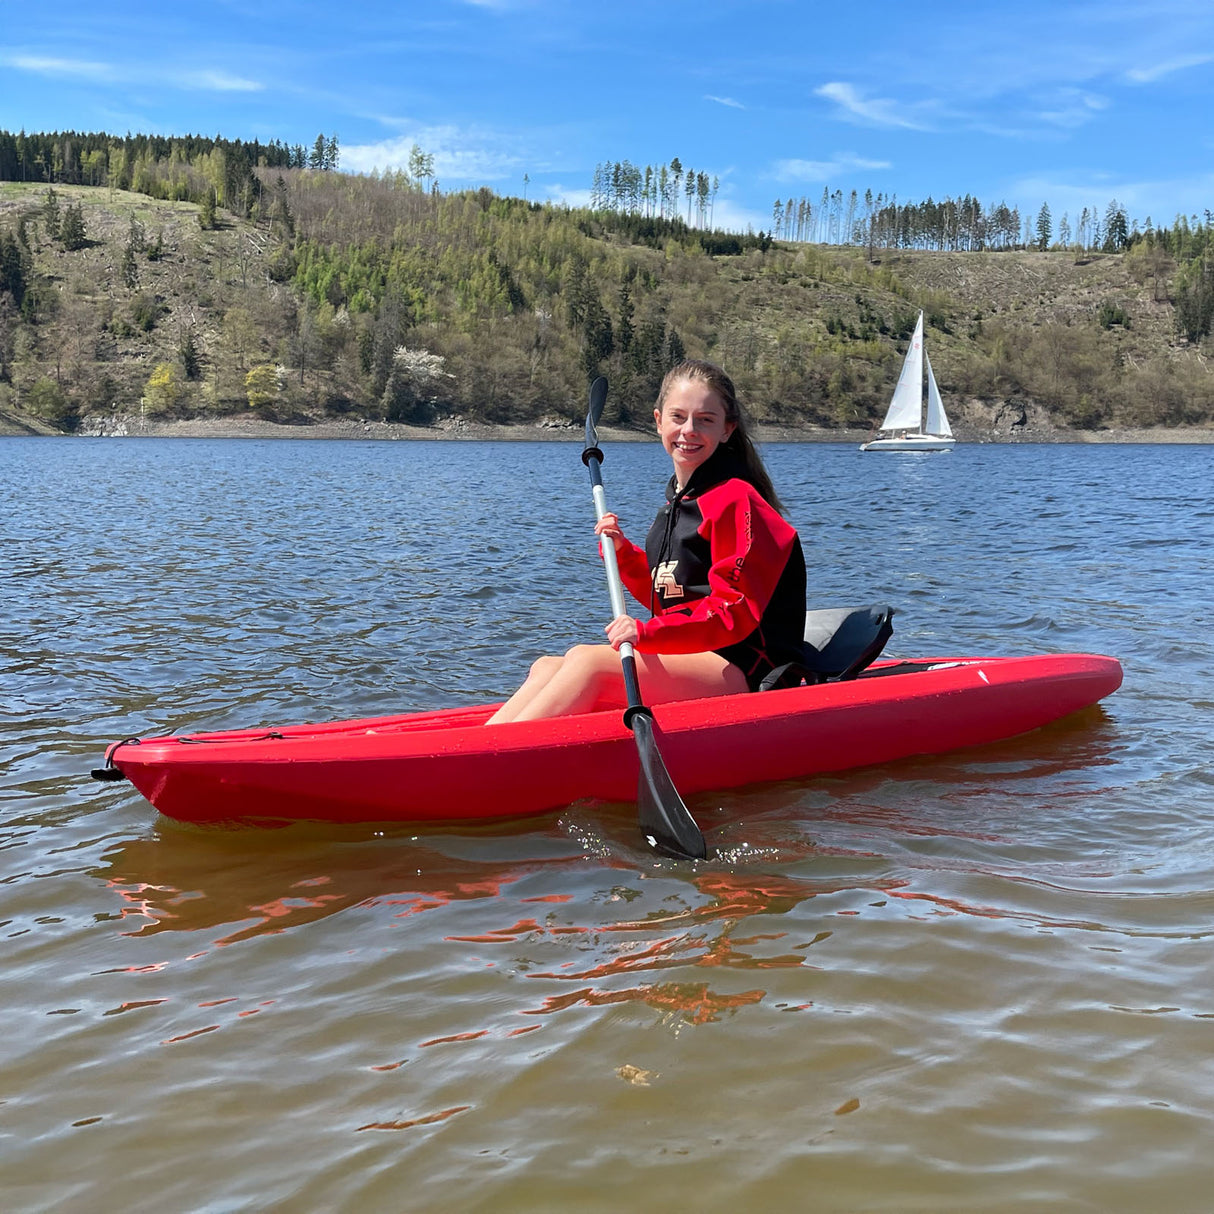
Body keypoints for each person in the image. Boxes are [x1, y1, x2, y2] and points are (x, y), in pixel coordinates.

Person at [487, 359, 806, 724]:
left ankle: (485, 764)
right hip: (700, 657)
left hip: (748, 669)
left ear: (727, 429)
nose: (689, 430)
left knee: (590, 663)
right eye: (678, 417)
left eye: (705, 419)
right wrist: (624, 555)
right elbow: (667, 594)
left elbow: (733, 613)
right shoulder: (679, 503)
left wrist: (646, 632)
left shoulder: (738, 501)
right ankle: (480, 748)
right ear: (658, 421)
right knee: (547, 665)